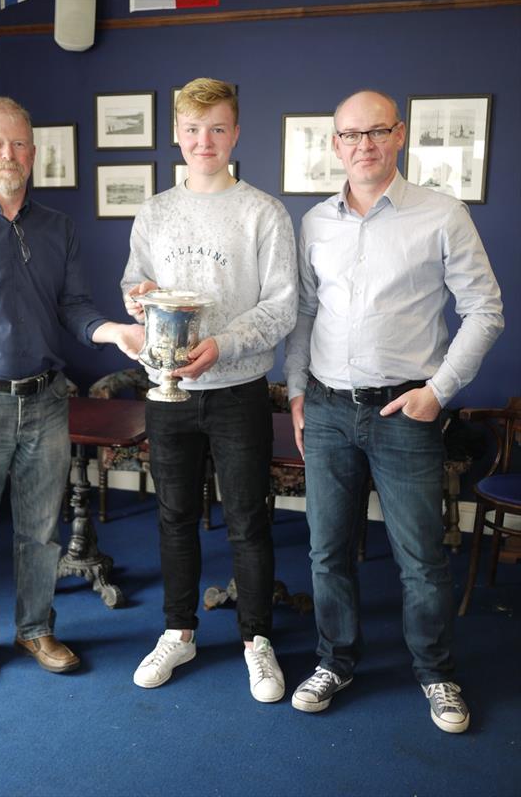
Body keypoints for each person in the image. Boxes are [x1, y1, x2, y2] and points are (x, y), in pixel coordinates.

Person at [284, 90, 504, 733]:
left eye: (376, 132)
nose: (364, 146)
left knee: (421, 558)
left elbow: (485, 310)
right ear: (335, 144)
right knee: (327, 552)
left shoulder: (441, 214)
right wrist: (295, 391)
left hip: (406, 412)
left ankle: (436, 673)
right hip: (324, 409)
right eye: (350, 135)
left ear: (399, 135)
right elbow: (303, 312)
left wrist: (438, 392)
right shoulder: (315, 221)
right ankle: (335, 660)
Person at [0, 97, 144, 687]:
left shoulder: (58, 228)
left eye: (18, 143)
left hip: (47, 399)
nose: (8, 155)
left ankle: (35, 627)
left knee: (40, 530)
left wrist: (114, 330)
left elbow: (74, 308)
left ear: (34, 152)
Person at [122, 78, 298, 703]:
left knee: (248, 519)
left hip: (237, 390)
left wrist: (223, 345)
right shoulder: (156, 210)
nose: (205, 141)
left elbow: (282, 307)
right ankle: (179, 630)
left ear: (236, 133)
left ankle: (257, 640)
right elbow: (134, 283)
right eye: (193, 130)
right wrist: (138, 301)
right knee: (172, 517)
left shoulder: (263, 212)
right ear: (176, 134)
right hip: (167, 390)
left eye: (218, 129)